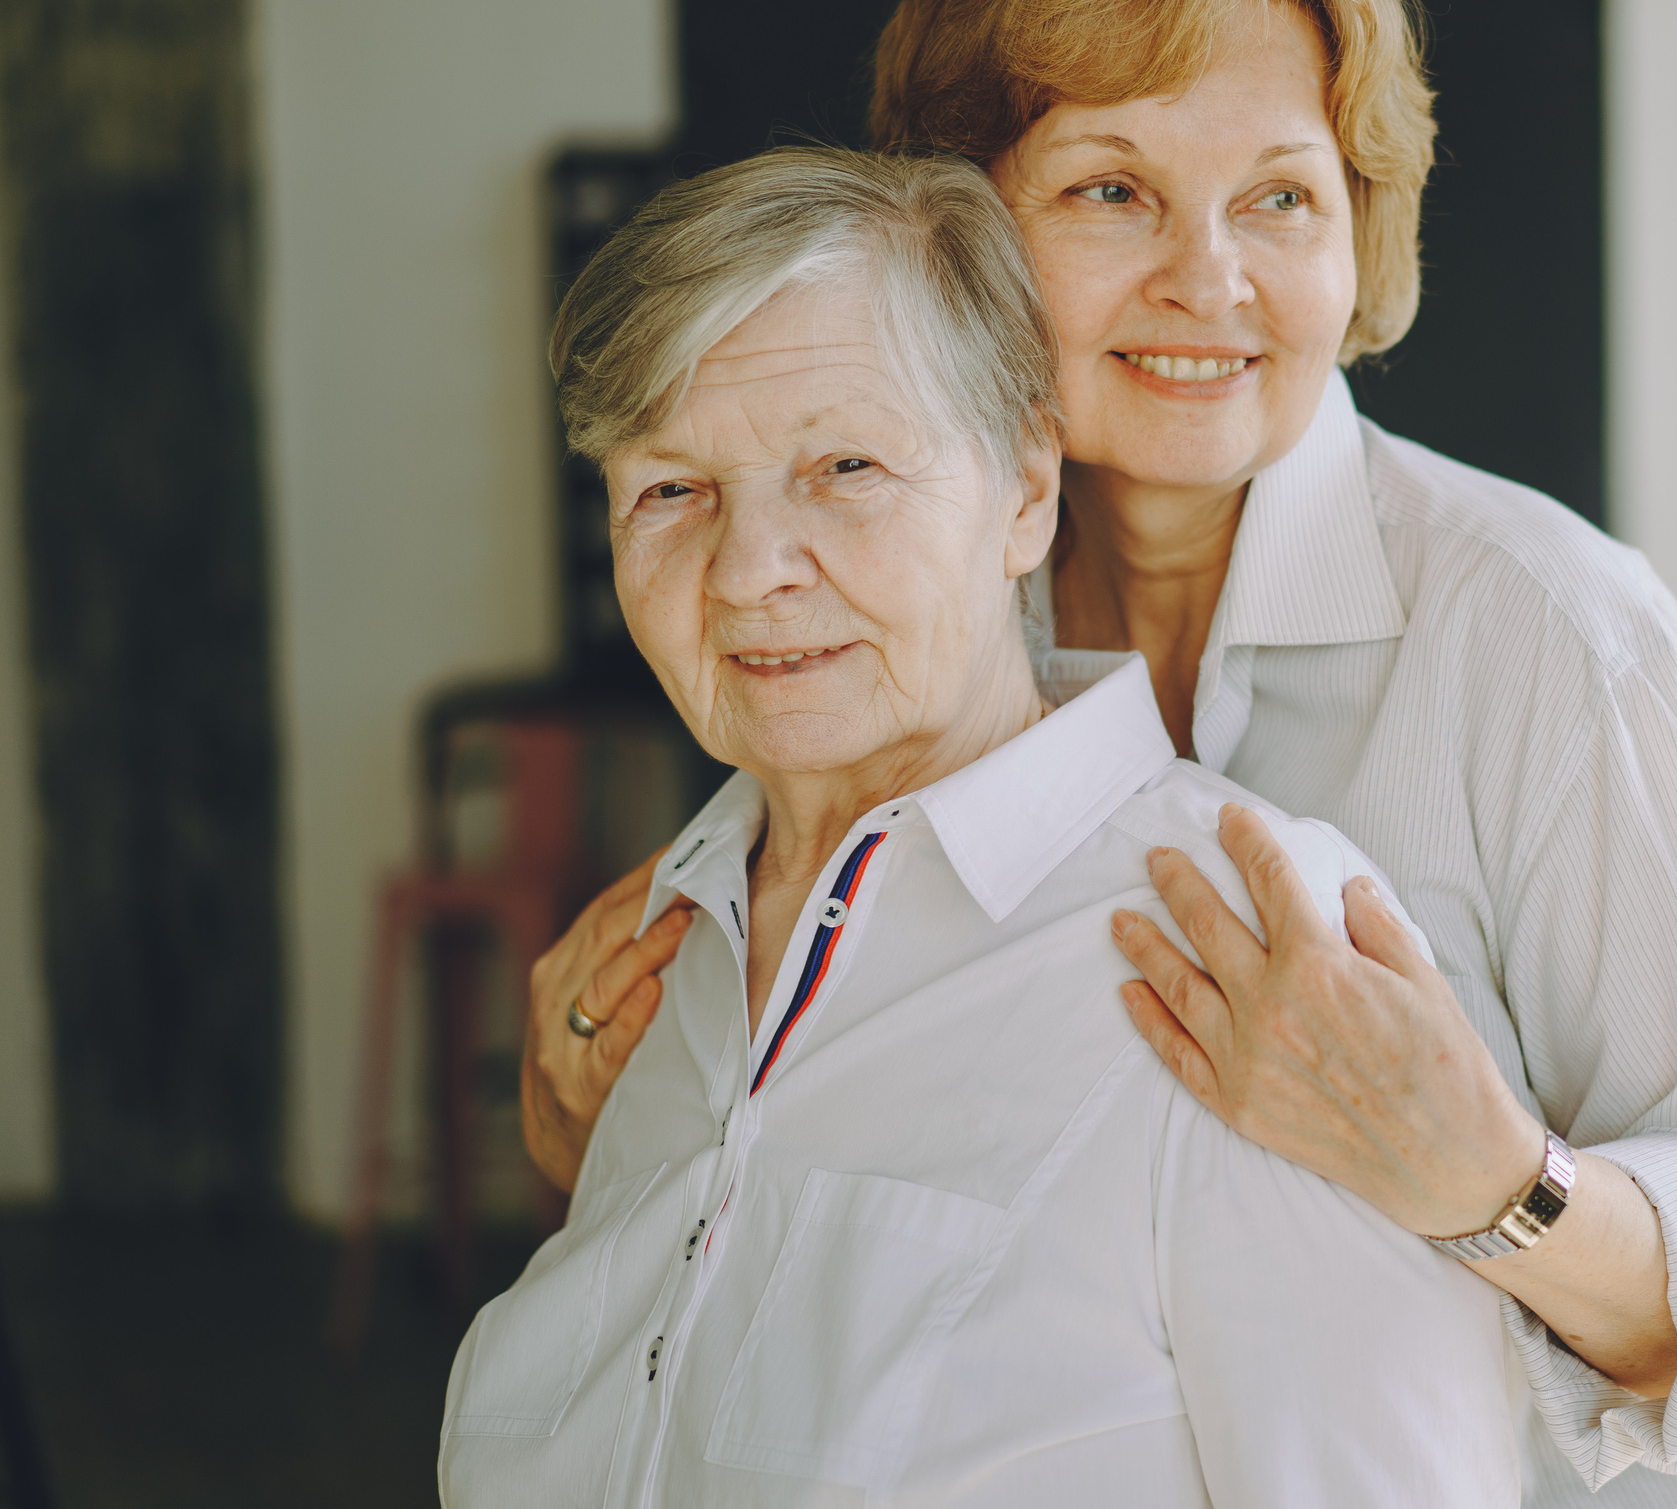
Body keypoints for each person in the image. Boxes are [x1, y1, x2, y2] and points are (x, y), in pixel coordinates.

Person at [523, 0, 1677, 1506]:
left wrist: (1496, 1182)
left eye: (1281, 198)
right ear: (958, 249)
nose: (1211, 278)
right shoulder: (893, 598)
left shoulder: (1546, 634)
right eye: (1111, 191)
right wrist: (613, 1119)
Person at [444, 147, 1516, 1508]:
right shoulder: (660, 953)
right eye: (672, 490)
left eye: (846, 467)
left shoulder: (1244, 942)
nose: (748, 572)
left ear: (1024, 488)